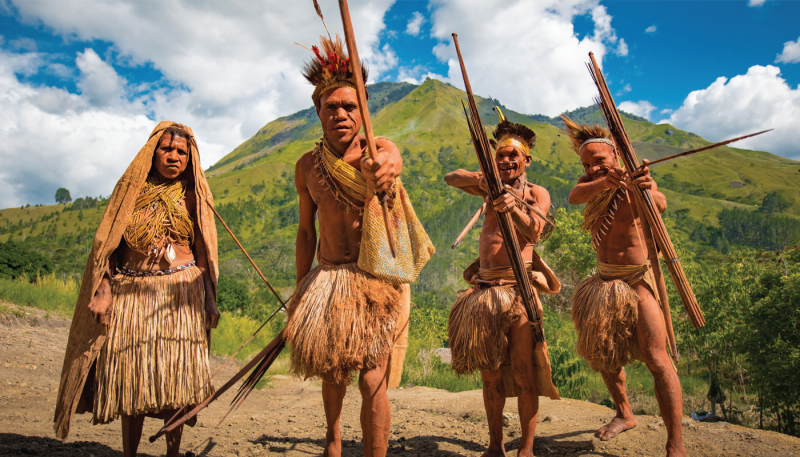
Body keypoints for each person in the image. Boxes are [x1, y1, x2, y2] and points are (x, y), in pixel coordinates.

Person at [287, 35, 433, 457]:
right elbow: (305, 234)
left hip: (376, 279)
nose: (341, 114)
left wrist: (386, 167)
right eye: (331, 107)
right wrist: (300, 289)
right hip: (330, 279)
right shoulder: (306, 167)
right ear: (317, 111)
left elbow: (392, 158)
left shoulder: (376, 150)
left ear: (364, 110)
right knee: (333, 374)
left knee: (373, 380)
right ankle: (333, 441)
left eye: (351, 107)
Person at [53, 122, 220, 457]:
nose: (174, 157)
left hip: (181, 297)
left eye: (182, 152)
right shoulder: (130, 194)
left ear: (191, 158)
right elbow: (108, 246)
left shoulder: (193, 196)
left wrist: (209, 301)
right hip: (131, 295)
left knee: (177, 381)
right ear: (152, 152)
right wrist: (104, 289)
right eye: (167, 149)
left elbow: (205, 255)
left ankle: (173, 453)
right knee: (132, 381)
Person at [565, 115, 685, 456]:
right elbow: (575, 196)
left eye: (599, 162)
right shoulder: (592, 185)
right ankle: (624, 413)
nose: (592, 169)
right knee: (604, 355)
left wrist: (643, 187)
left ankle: (675, 442)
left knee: (657, 359)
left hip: (636, 281)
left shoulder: (637, 181)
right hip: (604, 282)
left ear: (616, 156)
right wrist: (604, 182)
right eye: (587, 164)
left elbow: (659, 204)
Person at [444, 113, 561, 457]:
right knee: (491, 375)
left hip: (518, 292)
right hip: (485, 293)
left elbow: (535, 231)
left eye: (514, 156)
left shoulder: (537, 192)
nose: (508, 161)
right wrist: (486, 181)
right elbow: (451, 177)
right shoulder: (490, 183)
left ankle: (526, 448)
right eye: (501, 156)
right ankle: (495, 445)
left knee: (525, 373)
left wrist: (514, 207)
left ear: (527, 160)